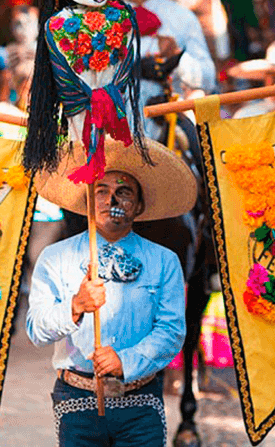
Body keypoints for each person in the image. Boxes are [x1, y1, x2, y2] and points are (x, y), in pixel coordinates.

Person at [27, 138, 193, 446]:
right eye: (101, 191)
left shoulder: (164, 261)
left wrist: (126, 362)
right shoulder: (56, 257)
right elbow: (36, 329)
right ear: (88, 200)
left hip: (141, 404)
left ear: (139, 205)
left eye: (123, 192)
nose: (111, 200)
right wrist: (74, 307)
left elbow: (171, 331)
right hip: (76, 401)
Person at [108, 0, 216, 113]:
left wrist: (176, 57)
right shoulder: (106, 18)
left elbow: (208, 78)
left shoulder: (180, 17)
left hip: (170, 124)